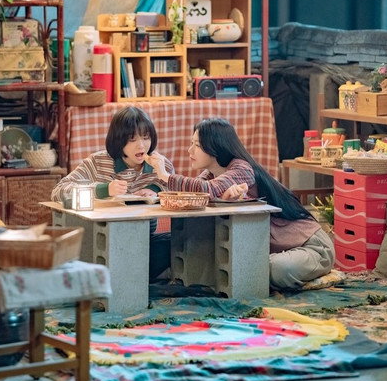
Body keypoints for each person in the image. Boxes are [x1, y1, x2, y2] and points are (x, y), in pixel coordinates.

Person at [147, 117, 335, 291]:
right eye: (191, 144)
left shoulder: (242, 168)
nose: (190, 151)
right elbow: (196, 194)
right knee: (242, 270)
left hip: (311, 245)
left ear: (215, 146)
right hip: (275, 248)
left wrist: (165, 175)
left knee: (273, 269)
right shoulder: (211, 174)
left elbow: (207, 189)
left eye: (197, 145)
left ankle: (320, 273)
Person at [51, 106, 175, 279]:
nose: (141, 145)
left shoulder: (160, 164)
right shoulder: (98, 161)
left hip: (143, 240)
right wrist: (104, 189)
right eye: (132, 139)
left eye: (146, 138)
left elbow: (175, 191)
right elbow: (58, 191)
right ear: (119, 140)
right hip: (103, 241)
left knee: (178, 242)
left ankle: (133, 279)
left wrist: (156, 191)